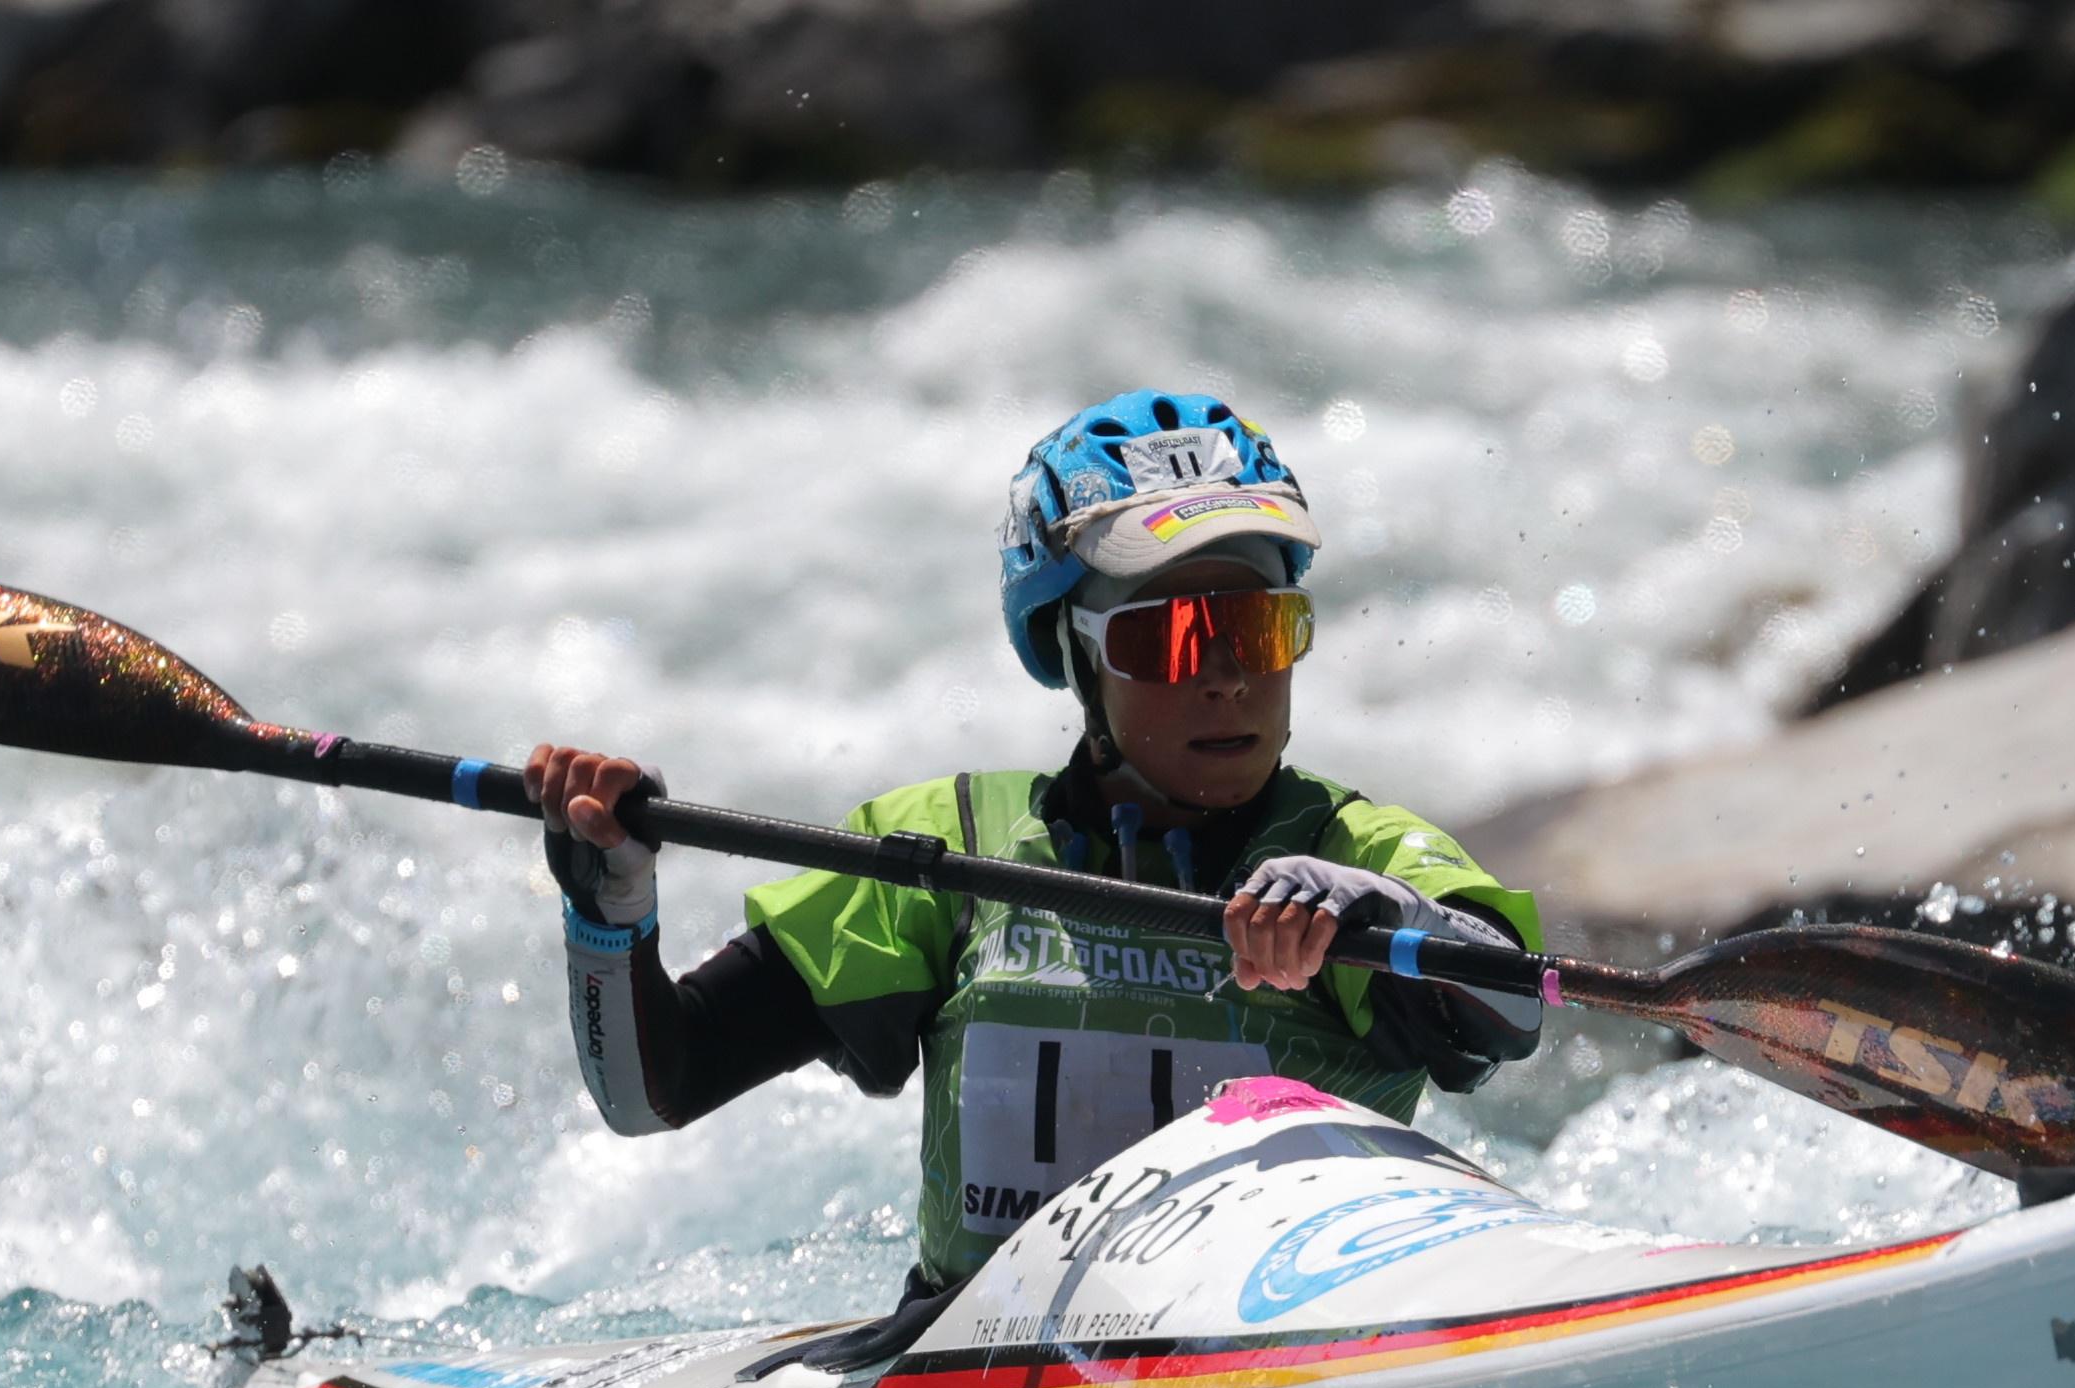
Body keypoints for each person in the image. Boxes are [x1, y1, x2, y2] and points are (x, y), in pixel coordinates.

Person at [526, 387, 1544, 1313]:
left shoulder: (1355, 850)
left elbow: (1507, 1007)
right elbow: (652, 1093)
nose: (1230, 677)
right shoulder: (941, 857)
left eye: (1262, 630)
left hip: (1297, 1357)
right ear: (1077, 656)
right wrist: (609, 909)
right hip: (972, 1370)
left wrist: (1376, 915)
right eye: (1177, 638)